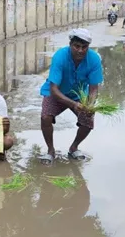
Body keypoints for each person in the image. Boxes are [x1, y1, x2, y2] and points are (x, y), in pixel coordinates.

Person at [38, 28, 103, 163]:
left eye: (84, 47)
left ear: (88, 47)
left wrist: (90, 105)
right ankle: (50, 150)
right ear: (70, 45)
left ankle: (74, 148)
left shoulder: (94, 59)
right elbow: (54, 88)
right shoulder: (60, 57)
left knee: (88, 119)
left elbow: (94, 88)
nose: (80, 50)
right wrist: (73, 104)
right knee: (45, 117)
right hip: (57, 93)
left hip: (78, 94)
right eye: (76, 46)